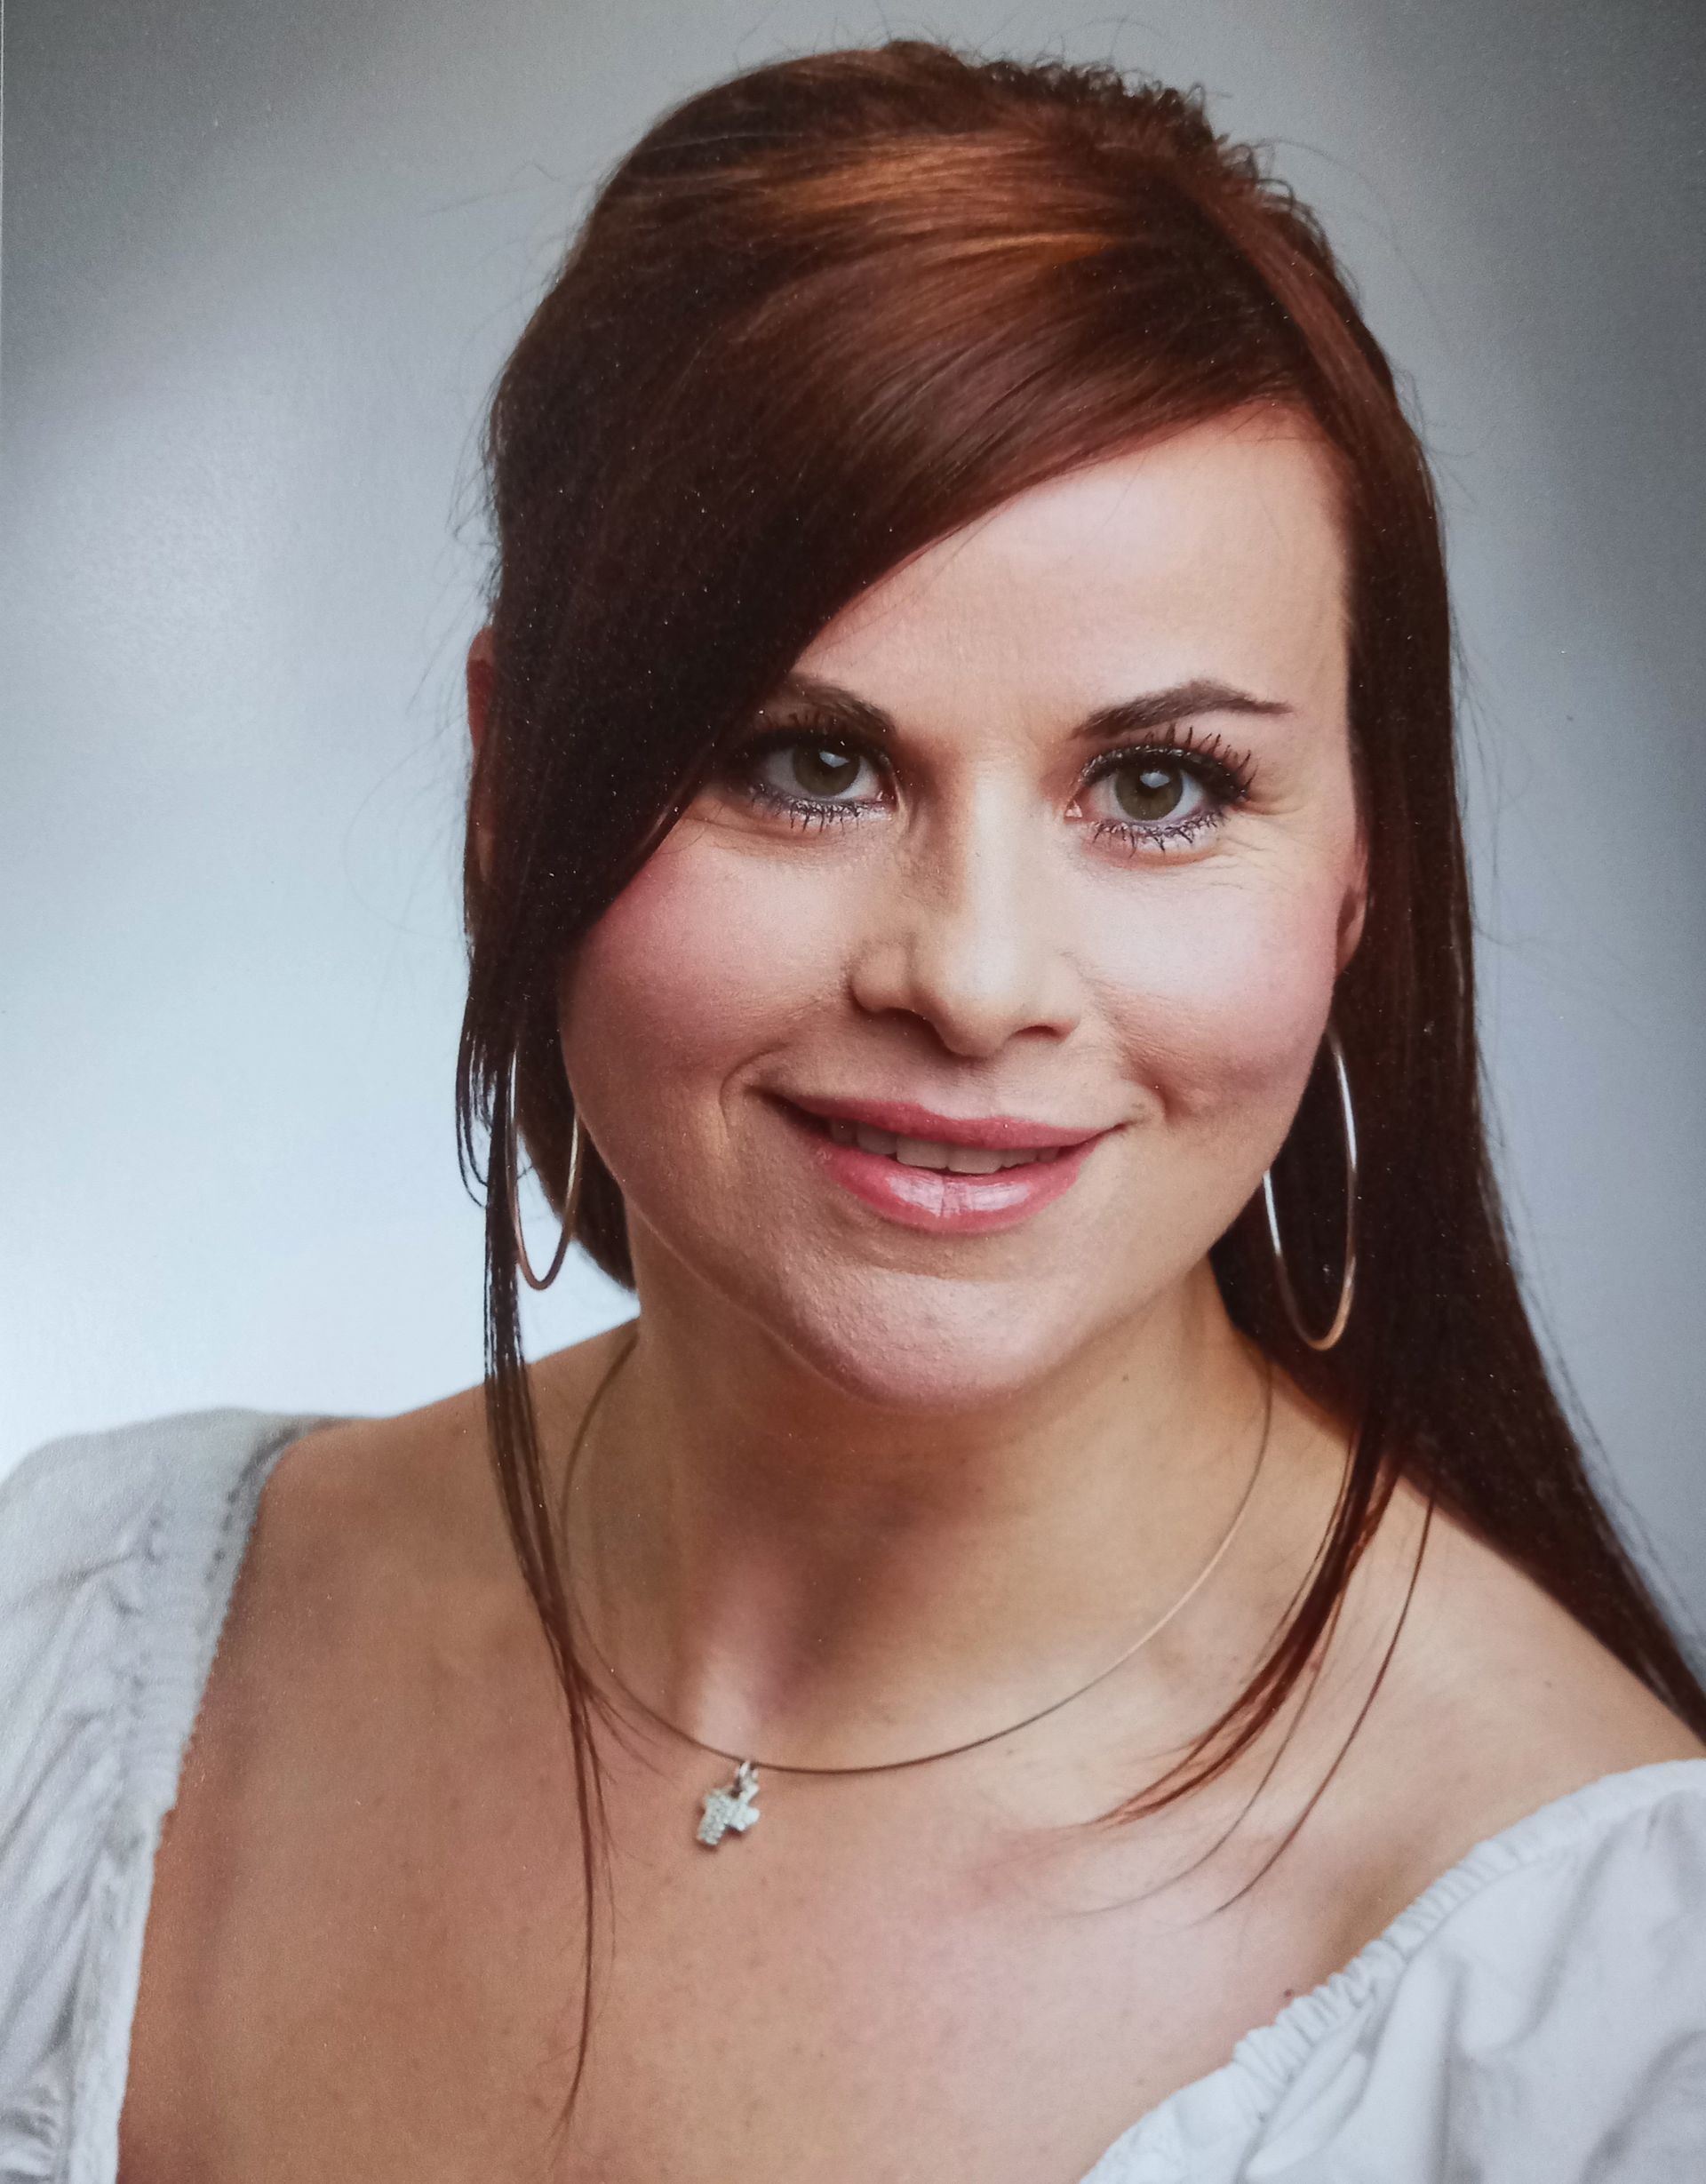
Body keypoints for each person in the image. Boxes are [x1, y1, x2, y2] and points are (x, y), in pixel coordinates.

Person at [4, 39, 1704, 2184]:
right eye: (808, 761)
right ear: (508, 790)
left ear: (1360, 864)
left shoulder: (1616, 2026)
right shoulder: (67, 1654)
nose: (971, 977)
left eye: (1160, 785)